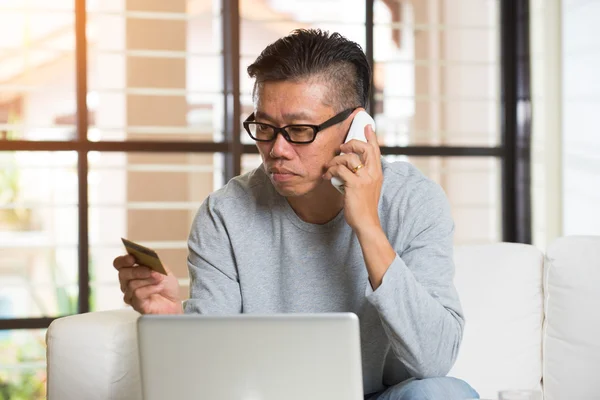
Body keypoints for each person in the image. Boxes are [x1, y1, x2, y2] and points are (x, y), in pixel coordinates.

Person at [113, 29, 479, 400]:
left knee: (443, 393)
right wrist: (172, 323)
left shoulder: (413, 200)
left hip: (382, 396)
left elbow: (433, 360)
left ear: (356, 127)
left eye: (300, 130)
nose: (277, 150)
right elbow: (211, 381)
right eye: (265, 128)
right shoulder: (224, 214)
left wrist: (367, 225)